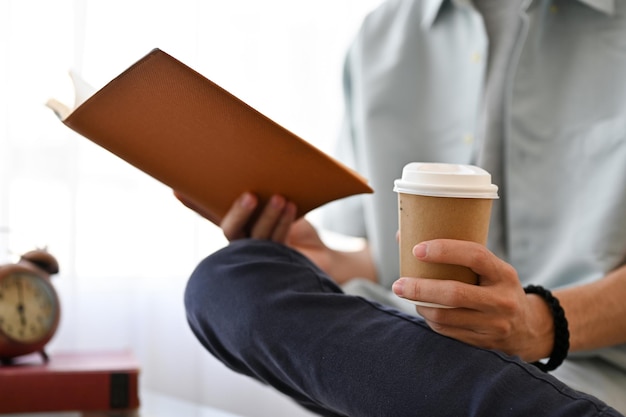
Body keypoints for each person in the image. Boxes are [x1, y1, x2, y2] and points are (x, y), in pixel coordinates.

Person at [181, 0, 626, 415]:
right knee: (228, 281)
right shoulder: (381, 34)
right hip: (415, 348)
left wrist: (540, 324)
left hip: (580, 370)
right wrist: (324, 262)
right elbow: (389, 265)